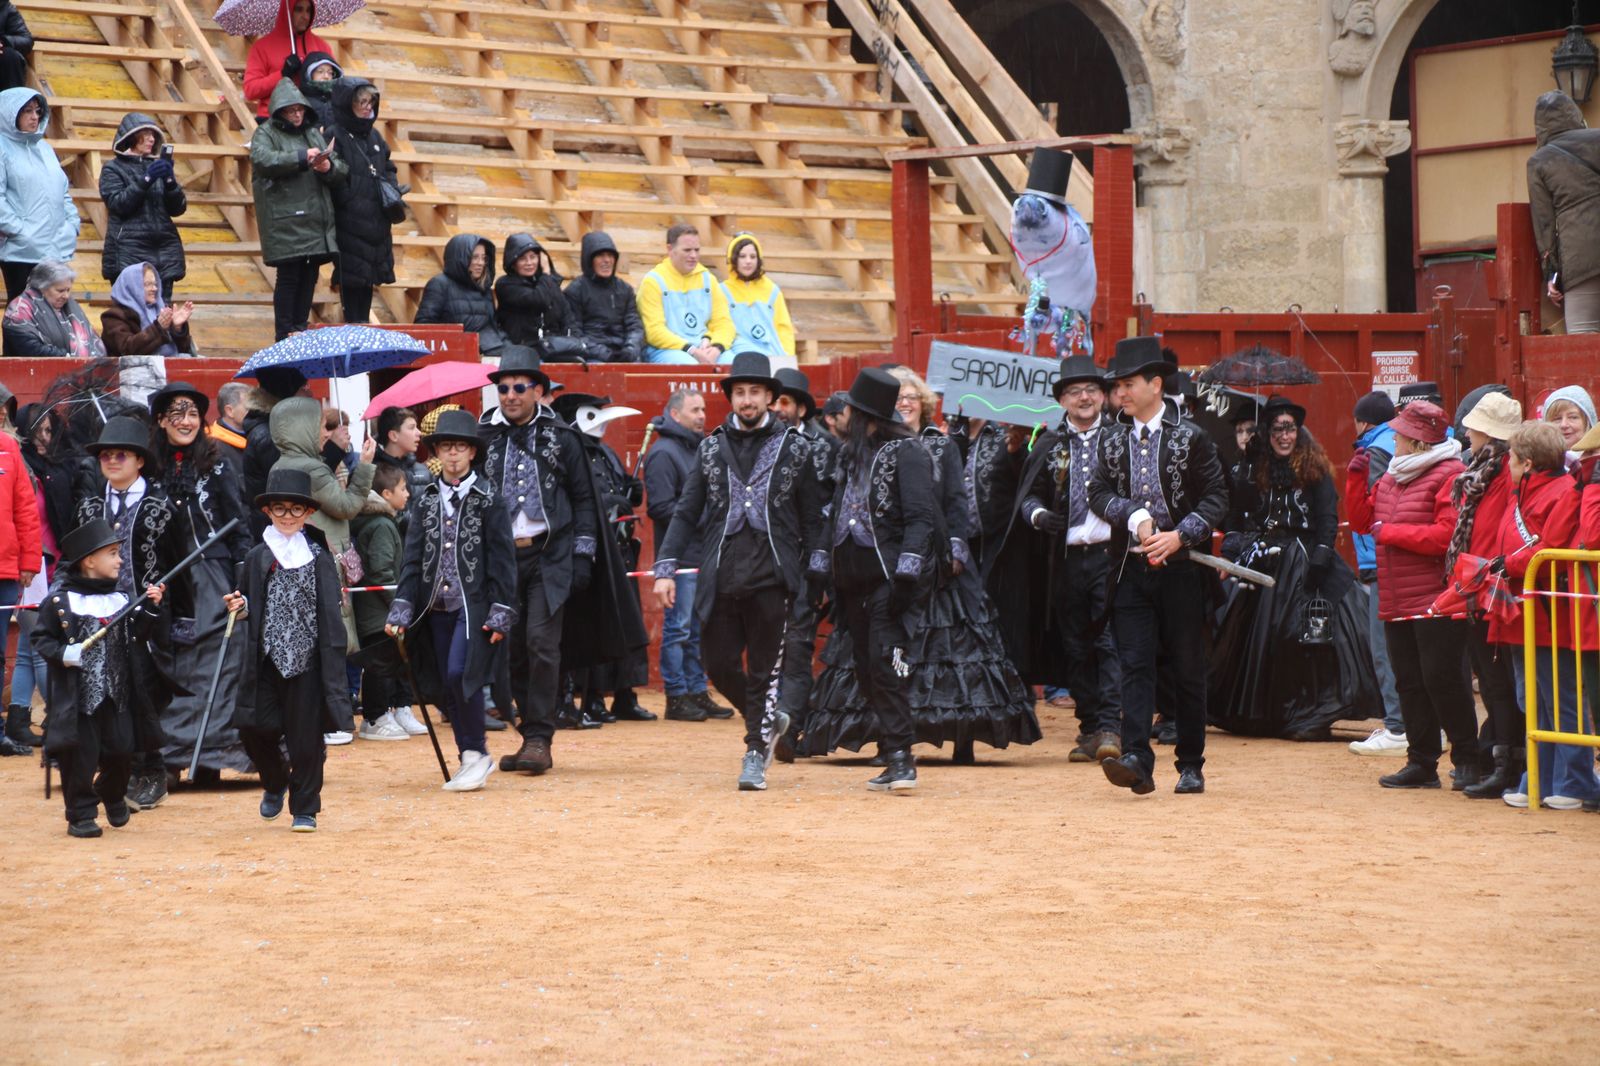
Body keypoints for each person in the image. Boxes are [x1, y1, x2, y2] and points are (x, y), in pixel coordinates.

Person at [652, 352, 823, 791]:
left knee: (766, 669)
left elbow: (813, 518)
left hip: (774, 572)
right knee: (717, 661)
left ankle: (754, 751)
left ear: (770, 397)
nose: (747, 401)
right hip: (721, 570)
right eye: (740, 393)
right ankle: (766, 719)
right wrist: (666, 567)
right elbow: (687, 511)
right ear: (731, 398)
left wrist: (815, 571)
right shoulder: (710, 447)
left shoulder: (796, 447)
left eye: (755, 393)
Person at [1088, 337, 1229, 796]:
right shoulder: (1111, 439)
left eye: (1127, 385)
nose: (1120, 394)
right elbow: (1097, 493)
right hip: (1130, 568)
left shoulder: (1192, 435)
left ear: (1155, 384)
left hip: (1183, 569)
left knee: (1187, 667)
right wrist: (1134, 516)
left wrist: (1179, 534)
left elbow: (1217, 497)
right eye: (1118, 387)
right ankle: (1137, 759)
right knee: (1134, 665)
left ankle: (1190, 763)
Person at [1209, 395, 1379, 740]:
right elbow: (1235, 517)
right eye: (1277, 429)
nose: (1284, 436)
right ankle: (1265, 715)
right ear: (1267, 433)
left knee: (1311, 637)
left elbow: (1327, 519)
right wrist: (1233, 546)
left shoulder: (1313, 469)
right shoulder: (1253, 468)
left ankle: (1309, 713)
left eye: (1290, 428)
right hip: (1264, 560)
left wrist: (1320, 555)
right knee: (1257, 637)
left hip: (1306, 560)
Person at [807, 367, 936, 792]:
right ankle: (891, 749)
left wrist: (907, 576)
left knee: (884, 664)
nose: (844, 419)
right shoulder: (850, 454)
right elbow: (835, 515)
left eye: (851, 413)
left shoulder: (909, 452)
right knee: (865, 667)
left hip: (888, 578)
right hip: (851, 582)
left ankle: (901, 757)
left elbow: (921, 519)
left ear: (866, 417)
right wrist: (820, 570)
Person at [479, 347, 599, 777]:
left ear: (539, 391)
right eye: (502, 388)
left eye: (518, 387)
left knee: (541, 644)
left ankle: (538, 740)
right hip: (503, 561)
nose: (509, 395)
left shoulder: (563, 437)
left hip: (551, 554)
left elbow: (585, 498)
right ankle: (528, 730)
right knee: (511, 652)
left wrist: (583, 555)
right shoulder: (483, 438)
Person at [1345, 399, 1476, 791]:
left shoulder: (1450, 474)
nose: (1395, 437)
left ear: (1417, 440)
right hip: (1398, 598)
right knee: (1409, 682)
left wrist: (1392, 534)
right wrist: (1355, 480)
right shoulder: (1392, 476)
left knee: (1444, 680)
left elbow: (1445, 536)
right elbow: (1364, 521)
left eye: (1401, 432)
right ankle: (1421, 762)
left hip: (1436, 600)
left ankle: (1467, 758)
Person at [385, 410, 517, 790]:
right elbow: (412, 559)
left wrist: (501, 612)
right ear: (438, 452)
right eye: (447, 447)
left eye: (460, 447)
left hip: (473, 605)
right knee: (445, 682)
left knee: (463, 673)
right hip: (434, 606)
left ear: (472, 452)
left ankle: (477, 751)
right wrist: (402, 608)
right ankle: (467, 755)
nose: (454, 455)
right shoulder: (425, 499)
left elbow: (503, 561)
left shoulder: (489, 498)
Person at [223, 467, 355, 833]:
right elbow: (249, 601)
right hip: (265, 659)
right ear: (268, 512)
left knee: (305, 739)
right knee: (253, 727)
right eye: (279, 509)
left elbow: (330, 612)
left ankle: (305, 807)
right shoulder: (255, 557)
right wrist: (240, 606)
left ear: (307, 513)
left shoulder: (318, 555)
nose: (286, 516)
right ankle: (276, 780)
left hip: (307, 661)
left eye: (295, 510)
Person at [1013, 354, 1122, 763]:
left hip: (1112, 555)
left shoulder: (1120, 439)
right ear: (1062, 401)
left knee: (1109, 641)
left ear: (1103, 397)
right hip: (1066, 557)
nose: (1085, 397)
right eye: (1075, 392)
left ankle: (1112, 726)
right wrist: (1040, 516)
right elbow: (1028, 498)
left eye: (1092, 390)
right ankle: (1090, 727)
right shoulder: (1049, 443)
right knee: (1076, 645)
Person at [145, 382, 254, 782]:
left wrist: (242, 573)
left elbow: (238, 522)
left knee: (220, 666)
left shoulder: (218, 461)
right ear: (161, 420)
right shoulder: (150, 467)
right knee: (172, 664)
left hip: (213, 577)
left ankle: (212, 758)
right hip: (167, 581)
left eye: (193, 414)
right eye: (178, 415)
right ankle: (171, 758)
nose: (187, 422)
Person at [32, 519, 166, 837]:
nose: (120, 559)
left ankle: (112, 792)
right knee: (80, 756)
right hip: (80, 700)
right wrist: (65, 653)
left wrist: (149, 608)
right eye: (113, 553)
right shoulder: (60, 602)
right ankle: (81, 813)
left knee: (122, 750)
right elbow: (41, 639)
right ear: (90, 561)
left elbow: (137, 635)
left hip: (116, 695)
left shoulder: (120, 600)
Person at [74, 415, 180, 812]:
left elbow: (179, 565)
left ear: (139, 461)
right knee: (104, 696)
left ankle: (151, 772)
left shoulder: (161, 507)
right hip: (95, 619)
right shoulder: (88, 507)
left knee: (143, 696)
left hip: (147, 621)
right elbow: (74, 563)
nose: (111, 461)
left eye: (121, 455)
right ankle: (116, 770)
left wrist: (178, 620)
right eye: (105, 455)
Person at [1491, 421, 1596, 808]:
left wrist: (1508, 564)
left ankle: (1574, 781)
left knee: (1560, 698)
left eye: (1513, 458)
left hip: (1551, 610)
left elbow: (1550, 547)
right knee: (1532, 699)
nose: (1508, 465)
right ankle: (1541, 777)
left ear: (1528, 462)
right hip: (1526, 610)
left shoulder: (1560, 491)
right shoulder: (1531, 490)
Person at [551, 392, 653, 723]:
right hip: (588, 550)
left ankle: (624, 694)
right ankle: (590, 698)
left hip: (619, 550)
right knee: (592, 623)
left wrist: (630, 492)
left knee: (623, 621)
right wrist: (610, 500)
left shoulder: (606, 452)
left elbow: (622, 488)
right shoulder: (569, 453)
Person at [1449, 391, 1525, 799]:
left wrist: (1472, 578)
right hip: (1478, 584)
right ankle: (1503, 762)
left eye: (1474, 426)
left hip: (1487, 585)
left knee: (1498, 682)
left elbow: (1490, 533)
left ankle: (1507, 765)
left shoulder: (1495, 473)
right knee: (1494, 680)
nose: (1468, 432)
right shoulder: (1485, 468)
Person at [768, 367, 834, 758]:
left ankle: (789, 728)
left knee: (797, 644)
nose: (777, 408)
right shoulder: (760, 442)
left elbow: (828, 510)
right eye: (774, 400)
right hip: (767, 560)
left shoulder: (823, 447)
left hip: (807, 562)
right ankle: (781, 723)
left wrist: (821, 561)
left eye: (785, 402)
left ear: (801, 408)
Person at [642, 387, 717, 721]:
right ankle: (676, 695)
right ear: (675, 414)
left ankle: (697, 690)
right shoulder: (663, 453)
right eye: (694, 410)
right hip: (680, 556)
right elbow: (659, 508)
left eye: (703, 409)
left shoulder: (697, 448)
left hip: (700, 554)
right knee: (679, 628)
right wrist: (706, 515)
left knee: (697, 628)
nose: (702, 415)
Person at [250, 80, 346, 341]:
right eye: (291, 110)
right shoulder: (266, 133)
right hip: (285, 221)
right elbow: (263, 160)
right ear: (280, 110)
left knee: (309, 276)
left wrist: (329, 168)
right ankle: (284, 332)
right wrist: (301, 157)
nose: (296, 115)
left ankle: (299, 327)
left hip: (314, 221)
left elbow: (340, 166)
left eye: (300, 110)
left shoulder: (312, 132)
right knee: (290, 276)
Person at [1345, 390, 1408, 756]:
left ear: (1361, 422)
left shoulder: (1373, 451)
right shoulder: (1394, 444)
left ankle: (1398, 727)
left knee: (1384, 648)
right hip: (1398, 561)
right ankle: (1414, 726)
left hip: (1381, 562)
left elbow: (1369, 512)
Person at [326, 78, 397, 327]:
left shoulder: (375, 135)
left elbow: (388, 166)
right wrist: (351, 197)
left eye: (370, 102)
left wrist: (392, 189)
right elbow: (332, 173)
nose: (368, 108)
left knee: (368, 281)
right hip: (349, 221)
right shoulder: (335, 134)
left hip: (376, 220)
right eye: (362, 102)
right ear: (348, 104)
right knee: (351, 281)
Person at [351, 461, 414, 741]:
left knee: (383, 662)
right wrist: (398, 603)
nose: (408, 493)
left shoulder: (380, 522)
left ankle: (382, 713)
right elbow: (381, 570)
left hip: (376, 610)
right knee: (379, 664)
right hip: (379, 611)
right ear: (386, 494)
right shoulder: (382, 525)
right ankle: (375, 717)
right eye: (403, 488)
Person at [1528, 91, 1600, 334]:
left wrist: (1551, 274)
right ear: (1575, 114)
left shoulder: (1538, 162)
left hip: (1582, 260)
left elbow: (1544, 224)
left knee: (1583, 339)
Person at [0, 89, 78, 302]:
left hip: (55, 249)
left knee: (54, 320)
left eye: (38, 111)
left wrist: (72, 225)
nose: (35, 116)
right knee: (23, 319)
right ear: (11, 113)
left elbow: (63, 192)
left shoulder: (45, 148)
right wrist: (20, 231)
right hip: (20, 253)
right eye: (27, 111)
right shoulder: (2, 147)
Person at [98, 114, 187, 299]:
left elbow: (178, 209)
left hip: (164, 253)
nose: (152, 139)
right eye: (145, 134)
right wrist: (146, 179)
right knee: (132, 316)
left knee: (163, 315)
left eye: (153, 135)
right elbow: (118, 204)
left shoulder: (156, 166)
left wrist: (170, 181)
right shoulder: (112, 169)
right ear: (131, 137)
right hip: (129, 253)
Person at [0, 389, 39, 755]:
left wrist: (29, 563)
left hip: (4, 570)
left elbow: (25, 509)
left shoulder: (8, 449)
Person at [636, 223, 733, 364]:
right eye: (687, 250)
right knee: (690, 367)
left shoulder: (708, 279)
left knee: (734, 364)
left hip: (704, 346)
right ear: (670, 249)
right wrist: (691, 349)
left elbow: (724, 323)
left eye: (697, 250)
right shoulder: (653, 282)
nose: (693, 255)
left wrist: (716, 346)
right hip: (667, 349)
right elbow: (654, 332)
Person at [415, 233, 505, 355]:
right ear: (460, 258)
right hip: (452, 355)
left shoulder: (484, 288)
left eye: (484, 258)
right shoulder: (439, 284)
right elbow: (424, 326)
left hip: (487, 352)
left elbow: (492, 327)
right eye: (474, 257)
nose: (481, 263)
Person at [243, 0, 331, 122]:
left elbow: (334, 85)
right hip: (273, 120)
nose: (305, 16)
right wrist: (282, 75)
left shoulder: (322, 47)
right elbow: (251, 90)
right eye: (299, 9)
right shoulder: (262, 47)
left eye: (308, 10)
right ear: (287, 12)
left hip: (311, 119)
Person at [562, 231, 643, 363]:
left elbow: (635, 327)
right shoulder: (575, 291)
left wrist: (630, 349)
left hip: (624, 353)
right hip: (592, 356)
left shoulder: (625, 289)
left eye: (610, 255)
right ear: (589, 260)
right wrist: (605, 354)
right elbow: (575, 334)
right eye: (600, 255)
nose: (607, 260)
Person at [3, 260, 104, 359]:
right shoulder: (19, 311)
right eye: (60, 291)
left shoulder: (70, 306)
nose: (66, 296)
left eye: (68, 290)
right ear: (41, 287)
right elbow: (31, 349)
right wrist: (67, 357)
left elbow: (92, 341)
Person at [719, 233, 794, 365]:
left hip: (772, 355)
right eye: (742, 256)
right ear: (733, 259)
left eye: (753, 257)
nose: (748, 261)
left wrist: (787, 357)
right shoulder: (722, 291)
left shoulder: (772, 290)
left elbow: (784, 329)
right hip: (739, 356)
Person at [496, 233, 572, 352]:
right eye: (522, 258)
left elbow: (567, 317)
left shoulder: (549, 284)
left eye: (533, 257)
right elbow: (538, 300)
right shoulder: (505, 285)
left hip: (554, 348)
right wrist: (546, 272)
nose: (529, 263)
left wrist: (571, 342)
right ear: (513, 263)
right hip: (523, 350)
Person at [101, 262, 195, 357]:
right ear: (131, 287)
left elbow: (184, 349)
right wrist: (158, 328)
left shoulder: (162, 309)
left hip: (170, 366)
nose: (154, 288)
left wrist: (177, 329)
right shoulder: (114, 317)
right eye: (147, 284)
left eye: (155, 284)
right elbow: (126, 349)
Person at [371, 405, 431, 522]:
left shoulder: (422, 470)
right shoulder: (374, 473)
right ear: (394, 435)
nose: (419, 433)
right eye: (412, 428)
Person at [1541, 384, 1595, 463]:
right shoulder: (1534, 464)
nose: (1564, 425)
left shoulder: (1596, 463)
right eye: (1557, 419)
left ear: (1588, 422)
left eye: (1573, 417)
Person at [210, 381, 253, 474]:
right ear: (230, 411)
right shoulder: (213, 447)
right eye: (249, 408)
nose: (254, 412)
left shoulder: (255, 434)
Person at [294, 51, 341, 132]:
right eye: (320, 71)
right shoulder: (300, 100)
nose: (326, 76)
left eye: (330, 73)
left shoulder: (339, 99)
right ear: (310, 74)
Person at [0, 2, 33, 93]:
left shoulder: (6, 7)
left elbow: (26, 40)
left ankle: (13, 103)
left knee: (10, 56)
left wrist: (4, 41)